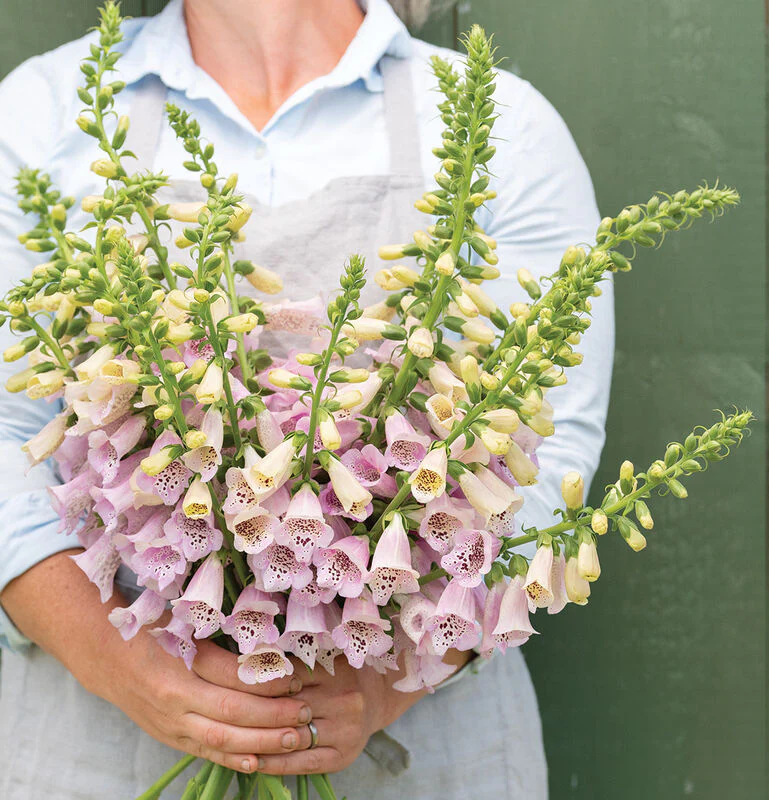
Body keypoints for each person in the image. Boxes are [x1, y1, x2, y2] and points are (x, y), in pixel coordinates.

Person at [0, 0, 614, 797]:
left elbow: (548, 447)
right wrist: (131, 669)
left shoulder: (505, 125)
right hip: (99, 746)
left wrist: (384, 685)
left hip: (424, 755)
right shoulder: (42, 112)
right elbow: (8, 435)